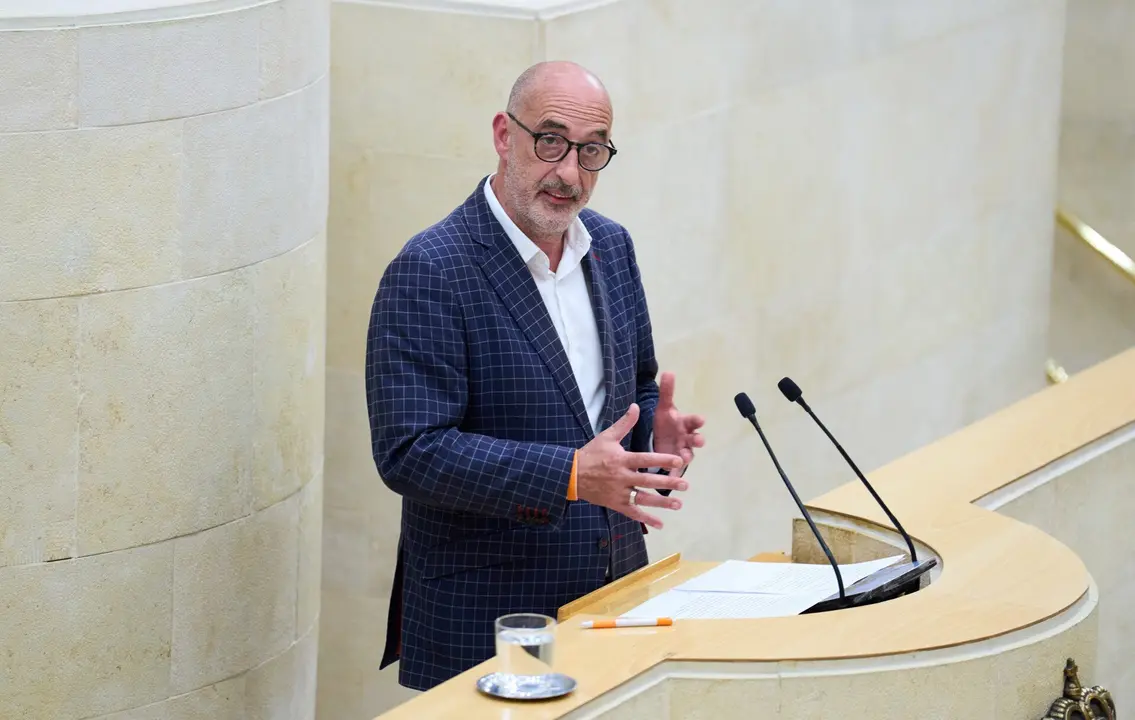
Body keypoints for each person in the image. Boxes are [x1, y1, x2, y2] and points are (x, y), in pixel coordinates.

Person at [365, 60, 706, 691]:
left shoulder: (611, 245)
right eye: (550, 141)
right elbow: (409, 452)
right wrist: (570, 476)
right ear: (503, 134)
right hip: (487, 618)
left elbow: (633, 388)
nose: (569, 173)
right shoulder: (430, 268)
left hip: (612, 595)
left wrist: (653, 438)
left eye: (592, 151)